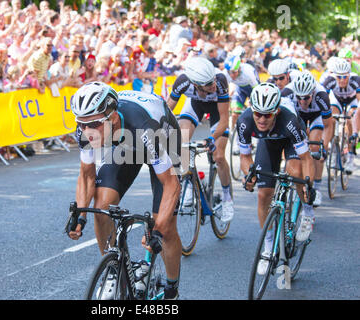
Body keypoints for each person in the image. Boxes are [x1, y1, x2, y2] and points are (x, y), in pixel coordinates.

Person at [67, 82, 182, 300]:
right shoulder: (87, 126)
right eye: (81, 125)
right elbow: (86, 175)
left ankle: (171, 289)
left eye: (93, 125)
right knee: (101, 208)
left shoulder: (145, 126)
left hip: (164, 142)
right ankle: (112, 270)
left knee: (165, 229)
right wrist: (80, 216)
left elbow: (170, 184)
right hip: (126, 145)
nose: (86, 132)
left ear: (111, 117)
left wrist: (156, 231)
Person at [238, 83, 316, 275]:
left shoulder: (290, 121)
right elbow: (244, 157)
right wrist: (249, 175)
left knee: (295, 171)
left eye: (268, 115)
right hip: (268, 144)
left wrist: (308, 185)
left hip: (290, 141)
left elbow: (306, 158)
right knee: (264, 194)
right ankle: (268, 246)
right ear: (252, 110)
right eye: (258, 114)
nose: (262, 119)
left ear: (277, 111)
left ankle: (307, 212)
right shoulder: (244, 121)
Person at [166, 57, 234, 223]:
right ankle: (189, 180)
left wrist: (211, 138)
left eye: (213, 81)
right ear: (196, 85)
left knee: (218, 156)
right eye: (208, 85)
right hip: (195, 105)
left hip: (218, 110)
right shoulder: (183, 81)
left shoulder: (220, 81)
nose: (213, 85)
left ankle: (227, 198)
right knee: (181, 141)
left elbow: (224, 119)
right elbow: (166, 111)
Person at [281, 71, 332, 207]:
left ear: (313, 92)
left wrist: (324, 147)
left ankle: (317, 188)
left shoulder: (321, 95)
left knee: (316, 149)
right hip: (298, 117)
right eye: (299, 97)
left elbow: (328, 125)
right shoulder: (287, 92)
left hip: (316, 117)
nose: (302, 101)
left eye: (306, 98)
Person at [321, 58, 360, 174]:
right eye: (339, 77)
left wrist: (355, 115)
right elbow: (324, 101)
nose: (342, 80)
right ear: (334, 75)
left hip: (351, 101)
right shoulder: (330, 80)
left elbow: (358, 102)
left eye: (345, 77)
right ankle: (333, 151)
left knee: (351, 120)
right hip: (337, 100)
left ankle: (350, 158)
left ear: (349, 75)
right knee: (331, 118)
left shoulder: (356, 80)